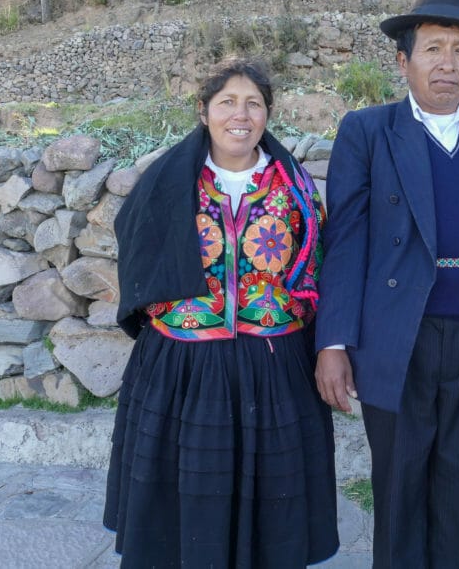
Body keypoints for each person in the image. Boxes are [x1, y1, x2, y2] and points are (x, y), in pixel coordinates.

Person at [314, 0, 459, 568]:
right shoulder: (368, 133)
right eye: (433, 49)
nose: (448, 63)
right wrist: (334, 342)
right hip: (395, 339)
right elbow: (343, 244)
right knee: (399, 484)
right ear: (403, 61)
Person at [105, 56, 339, 568]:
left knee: (272, 505)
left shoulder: (294, 190)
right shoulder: (169, 182)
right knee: (185, 501)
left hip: (275, 368)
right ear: (204, 111)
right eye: (227, 102)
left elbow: (321, 271)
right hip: (185, 368)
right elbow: (138, 246)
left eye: (253, 103)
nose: (241, 114)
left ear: (267, 114)